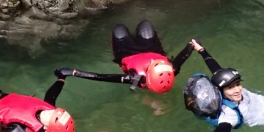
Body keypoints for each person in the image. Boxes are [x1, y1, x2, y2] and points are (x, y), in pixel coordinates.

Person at [54, 19, 195, 94]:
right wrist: (192, 45)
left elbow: (102, 77)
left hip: (128, 54)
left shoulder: (134, 78)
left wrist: (74, 72)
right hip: (152, 49)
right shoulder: (171, 69)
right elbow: (183, 56)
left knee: (119, 28)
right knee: (145, 23)